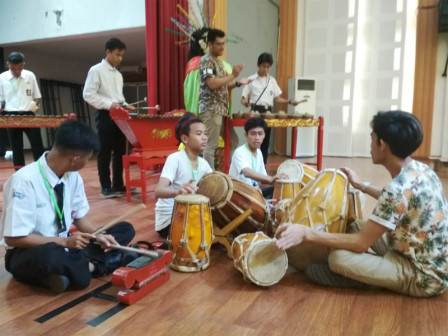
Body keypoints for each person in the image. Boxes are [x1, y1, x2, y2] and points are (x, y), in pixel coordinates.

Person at [276, 111, 448, 297]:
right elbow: (399, 201)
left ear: (382, 145)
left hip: (423, 277)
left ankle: (360, 278)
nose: (370, 144)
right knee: (355, 224)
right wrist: (360, 185)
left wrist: (305, 233)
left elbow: (360, 243)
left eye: (372, 138)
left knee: (338, 258)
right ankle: (371, 270)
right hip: (417, 253)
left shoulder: (397, 189)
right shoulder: (421, 169)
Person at [0, 120, 136, 294]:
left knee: (125, 229)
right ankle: (97, 265)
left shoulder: (72, 176)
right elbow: (14, 238)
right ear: (75, 158)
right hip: (31, 251)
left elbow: (79, 217)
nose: (88, 162)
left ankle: (76, 268)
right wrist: (63, 241)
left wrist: (99, 235)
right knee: (52, 258)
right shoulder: (24, 181)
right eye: (88, 158)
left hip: (67, 245)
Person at [83, 37, 136, 198]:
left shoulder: (118, 75)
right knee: (104, 150)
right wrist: (109, 104)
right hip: (105, 114)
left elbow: (118, 97)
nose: (120, 58)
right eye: (117, 55)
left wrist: (125, 104)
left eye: (122, 56)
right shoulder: (96, 70)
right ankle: (105, 186)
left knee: (120, 151)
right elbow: (88, 94)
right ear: (108, 52)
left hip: (119, 114)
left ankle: (118, 185)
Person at [154, 112, 213, 239]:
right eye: (199, 134)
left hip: (191, 214)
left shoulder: (203, 163)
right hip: (169, 219)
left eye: (205, 134)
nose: (204, 137)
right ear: (185, 138)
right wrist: (177, 192)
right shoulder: (175, 159)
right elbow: (158, 192)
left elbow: (215, 182)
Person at [198, 28, 249, 170]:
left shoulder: (219, 62)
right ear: (210, 44)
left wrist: (237, 83)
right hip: (211, 109)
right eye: (219, 44)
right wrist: (233, 75)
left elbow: (222, 87)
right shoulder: (206, 61)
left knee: (232, 141)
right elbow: (212, 84)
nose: (222, 47)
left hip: (220, 110)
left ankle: (228, 170)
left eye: (223, 43)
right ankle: (210, 179)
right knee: (211, 145)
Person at [241, 52, 300, 164]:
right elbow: (243, 99)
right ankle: (251, 165)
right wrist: (246, 103)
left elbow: (277, 99)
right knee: (254, 140)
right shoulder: (251, 79)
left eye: (268, 67)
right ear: (258, 65)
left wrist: (290, 101)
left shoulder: (272, 80)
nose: (266, 69)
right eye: (264, 66)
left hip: (269, 112)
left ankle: (263, 166)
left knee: (265, 141)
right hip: (255, 111)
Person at [0, 52, 44, 169]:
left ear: (23, 64)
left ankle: (41, 172)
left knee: (37, 145)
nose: (17, 71)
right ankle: (19, 174)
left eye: (19, 68)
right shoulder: (2, 77)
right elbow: (0, 98)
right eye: (13, 68)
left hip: (29, 113)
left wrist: (36, 106)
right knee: (16, 147)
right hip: (10, 115)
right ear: (8, 64)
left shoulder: (30, 75)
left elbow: (36, 96)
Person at [229, 117, 286, 199]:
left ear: (264, 135)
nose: (257, 137)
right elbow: (246, 172)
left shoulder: (259, 152)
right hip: (240, 195)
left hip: (254, 193)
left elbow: (263, 179)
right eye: (253, 134)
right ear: (246, 135)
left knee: (281, 190)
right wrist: (271, 179)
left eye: (260, 134)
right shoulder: (239, 152)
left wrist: (279, 180)